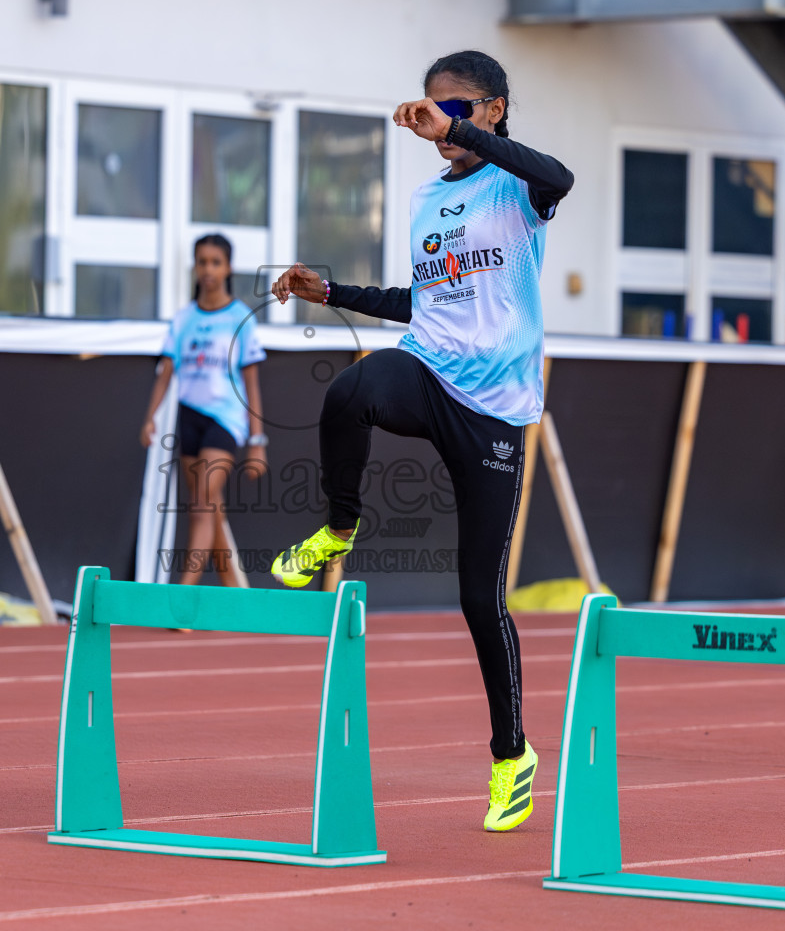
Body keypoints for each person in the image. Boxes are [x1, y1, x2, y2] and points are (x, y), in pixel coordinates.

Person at [268, 50, 572, 833]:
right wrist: (330, 292)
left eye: (460, 110)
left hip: (495, 410)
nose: (442, 126)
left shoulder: (520, 187)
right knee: (351, 391)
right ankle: (340, 525)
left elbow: (561, 175)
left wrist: (469, 131)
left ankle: (512, 754)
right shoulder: (424, 200)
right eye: (433, 111)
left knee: (479, 597)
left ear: (496, 110)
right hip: (429, 370)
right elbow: (423, 301)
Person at [141, 234, 268, 587]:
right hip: (189, 417)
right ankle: (234, 593)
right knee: (210, 507)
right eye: (202, 262)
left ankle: (183, 597)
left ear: (228, 268)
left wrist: (258, 440)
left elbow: (252, 382)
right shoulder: (183, 318)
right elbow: (166, 371)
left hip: (226, 419)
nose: (208, 269)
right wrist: (150, 417)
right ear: (194, 267)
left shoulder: (241, 317)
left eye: (215, 262)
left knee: (201, 503)